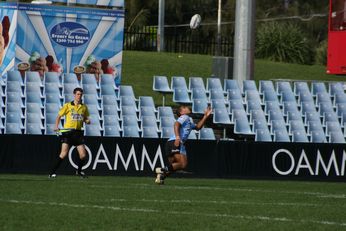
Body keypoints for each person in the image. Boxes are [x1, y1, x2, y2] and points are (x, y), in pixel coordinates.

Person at [155, 106, 212, 184]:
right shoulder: (184, 117)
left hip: (170, 142)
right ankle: (161, 170)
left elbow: (198, 127)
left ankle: (161, 177)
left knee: (174, 167)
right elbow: (176, 124)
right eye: (184, 107)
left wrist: (205, 116)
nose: (187, 107)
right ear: (182, 112)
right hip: (176, 141)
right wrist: (178, 138)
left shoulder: (188, 121)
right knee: (183, 164)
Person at [49, 88, 91, 178]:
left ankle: (79, 171)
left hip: (78, 133)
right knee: (63, 154)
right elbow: (59, 116)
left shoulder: (84, 107)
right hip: (68, 132)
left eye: (81, 94)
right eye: (78, 94)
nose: (79, 96)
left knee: (83, 155)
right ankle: (52, 172)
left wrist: (87, 120)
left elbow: (85, 118)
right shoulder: (68, 105)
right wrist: (56, 126)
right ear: (74, 95)